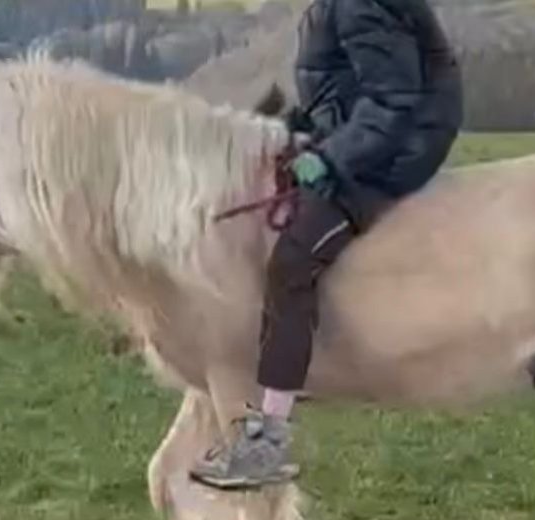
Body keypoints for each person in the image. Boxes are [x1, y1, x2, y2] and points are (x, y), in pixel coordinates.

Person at [190, 0, 464, 490]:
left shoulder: (358, 5)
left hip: (395, 152)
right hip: (375, 139)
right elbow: (338, 93)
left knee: (290, 263)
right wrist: (290, 130)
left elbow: (392, 102)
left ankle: (268, 440)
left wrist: (332, 159)